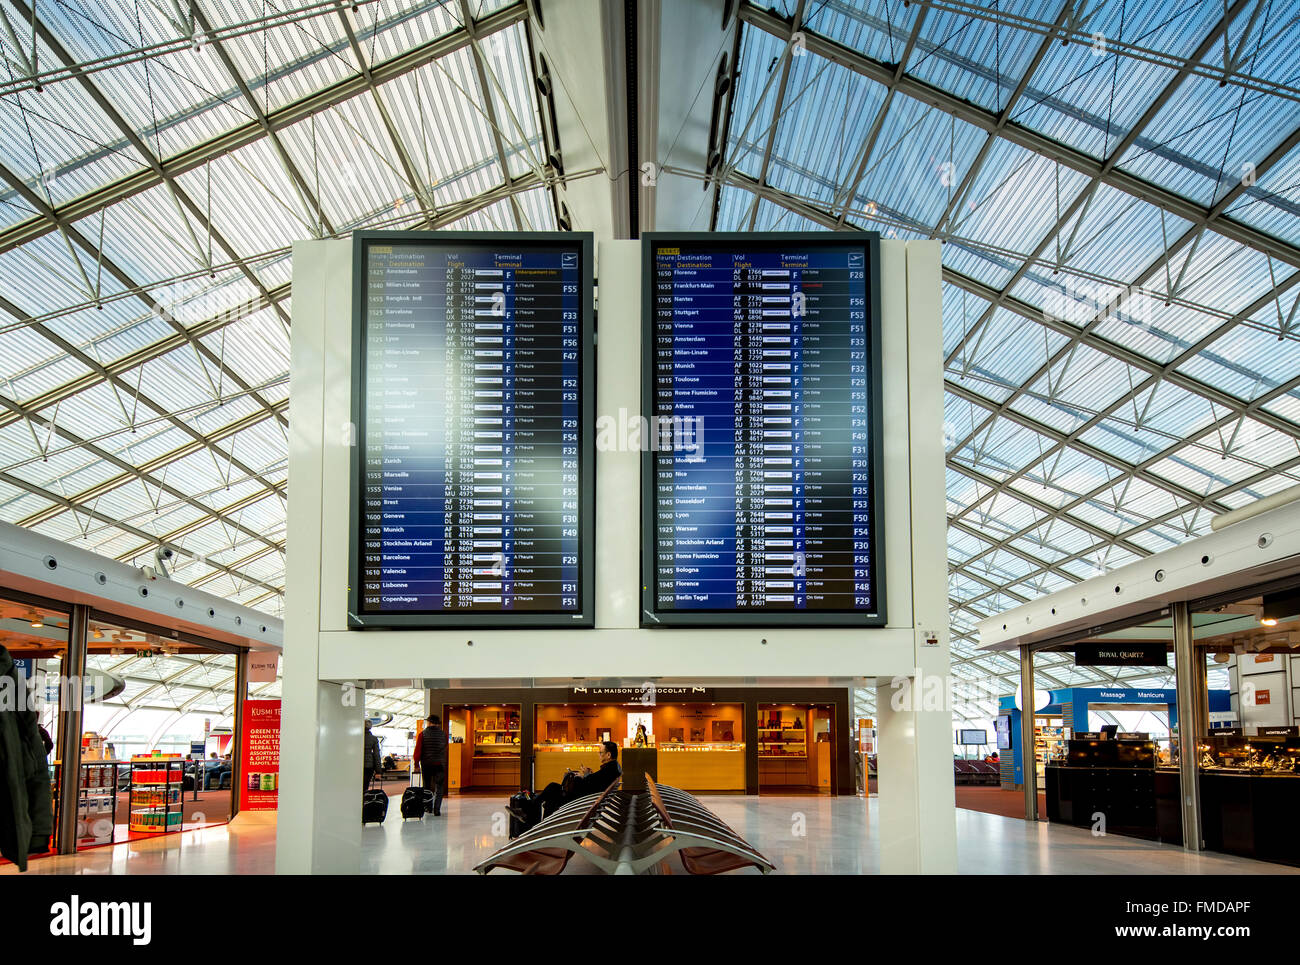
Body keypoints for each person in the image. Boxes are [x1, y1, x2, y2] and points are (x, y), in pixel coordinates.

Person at [509, 741, 620, 831]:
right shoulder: (612, 768)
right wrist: (586, 775)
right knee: (551, 798)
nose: (598, 755)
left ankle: (530, 816)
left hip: (579, 800)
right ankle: (538, 824)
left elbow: (587, 785)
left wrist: (580, 777)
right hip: (584, 798)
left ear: (608, 755)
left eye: (600, 752)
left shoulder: (608, 770)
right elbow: (595, 782)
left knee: (552, 790)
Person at [412, 715, 448, 817]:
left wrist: (416, 764)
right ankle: (437, 809)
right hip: (440, 764)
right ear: (437, 724)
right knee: (439, 787)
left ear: (429, 723)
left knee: (427, 786)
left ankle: (428, 807)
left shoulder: (423, 734)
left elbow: (418, 751)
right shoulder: (443, 735)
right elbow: (445, 748)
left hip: (426, 764)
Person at [363, 720, 381, 792]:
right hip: (368, 766)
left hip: (355, 765)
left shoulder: (356, 737)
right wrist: (378, 771)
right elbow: (376, 755)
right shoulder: (373, 739)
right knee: (365, 786)